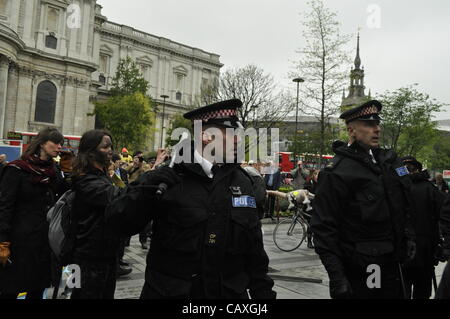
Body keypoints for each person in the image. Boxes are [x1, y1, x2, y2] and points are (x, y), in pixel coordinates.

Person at [106, 99, 276, 299]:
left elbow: (254, 249)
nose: (238, 140)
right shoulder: (168, 178)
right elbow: (117, 223)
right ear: (205, 136)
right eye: (232, 134)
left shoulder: (242, 180)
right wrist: (146, 187)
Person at [310, 100, 416, 299]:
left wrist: (409, 236)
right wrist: (337, 276)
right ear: (351, 131)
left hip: (395, 264)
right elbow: (323, 228)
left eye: (377, 124)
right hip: (365, 267)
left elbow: (405, 204)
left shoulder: (388, 162)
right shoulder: (338, 172)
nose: (376, 129)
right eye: (368, 125)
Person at [0, 128, 66, 299]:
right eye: (56, 143)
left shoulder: (54, 171)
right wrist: (3, 241)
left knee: (38, 288)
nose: (60, 147)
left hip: (44, 242)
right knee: (11, 289)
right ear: (43, 143)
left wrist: (73, 174)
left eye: (61, 144)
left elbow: (64, 195)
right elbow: (5, 207)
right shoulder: (16, 169)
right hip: (18, 242)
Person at [70, 130, 129, 299]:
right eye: (105, 146)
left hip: (106, 255)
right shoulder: (85, 179)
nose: (110, 150)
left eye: (111, 146)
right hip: (87, 258)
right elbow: (118, 197)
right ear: (90, 152)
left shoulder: (103, 177)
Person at [400, 156, 445, 299]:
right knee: (419, 290)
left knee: (405, 289)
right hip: (422, 252)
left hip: (412, 251)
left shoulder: (398, 188)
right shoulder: (429, 189)